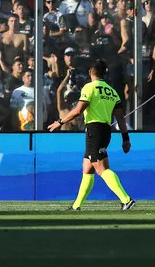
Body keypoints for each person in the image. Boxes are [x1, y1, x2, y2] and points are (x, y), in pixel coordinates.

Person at [47, 59, 136, 211]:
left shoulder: (90, 87)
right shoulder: (112, 91)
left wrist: (60, 122)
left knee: (101, 169)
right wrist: (125, 138)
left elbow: (78, 110)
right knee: (87, 168)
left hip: (94, 130)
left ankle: (126, 200)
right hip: (106, 131)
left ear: (90, 72)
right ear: (105, 73)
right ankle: (76, 206)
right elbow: (120, 118)